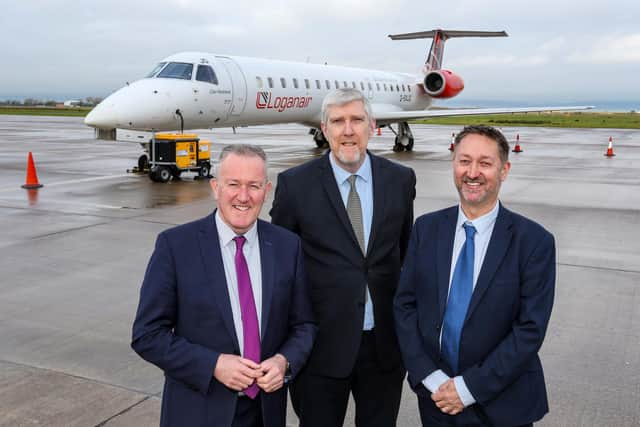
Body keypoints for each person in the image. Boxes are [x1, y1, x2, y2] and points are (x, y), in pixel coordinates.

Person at [131, 144, 316, 427]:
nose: (243, 196)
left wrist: (284, 361)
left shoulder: (287, 246)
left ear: (266, 191)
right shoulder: (176, 245)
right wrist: (213, 364)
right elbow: (147, 334)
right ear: (215, 187)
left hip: (264, 414)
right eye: (233, 184)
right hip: (198, 412)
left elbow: (304, 325)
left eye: (253, 186)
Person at [270, 88, 416, 427]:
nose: (347, 130)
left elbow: (404, 253)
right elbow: (281, 270)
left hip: (383, 349)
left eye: (356, 120)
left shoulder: (400, 180)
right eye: (338, 121)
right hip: (320, 349)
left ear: (373, 125)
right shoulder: (295, 185)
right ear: (325, 128)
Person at [394, 125, 556, 426]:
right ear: (453, 164)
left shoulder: (534, 242)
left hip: (504, 403)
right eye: (464, 161)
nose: (472, 172)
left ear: (504, 170)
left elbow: (529, 329)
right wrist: (430, 377)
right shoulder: (426, 229)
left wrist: (467, 389)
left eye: (485, 163)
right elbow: (405, 306)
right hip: (436, 399)